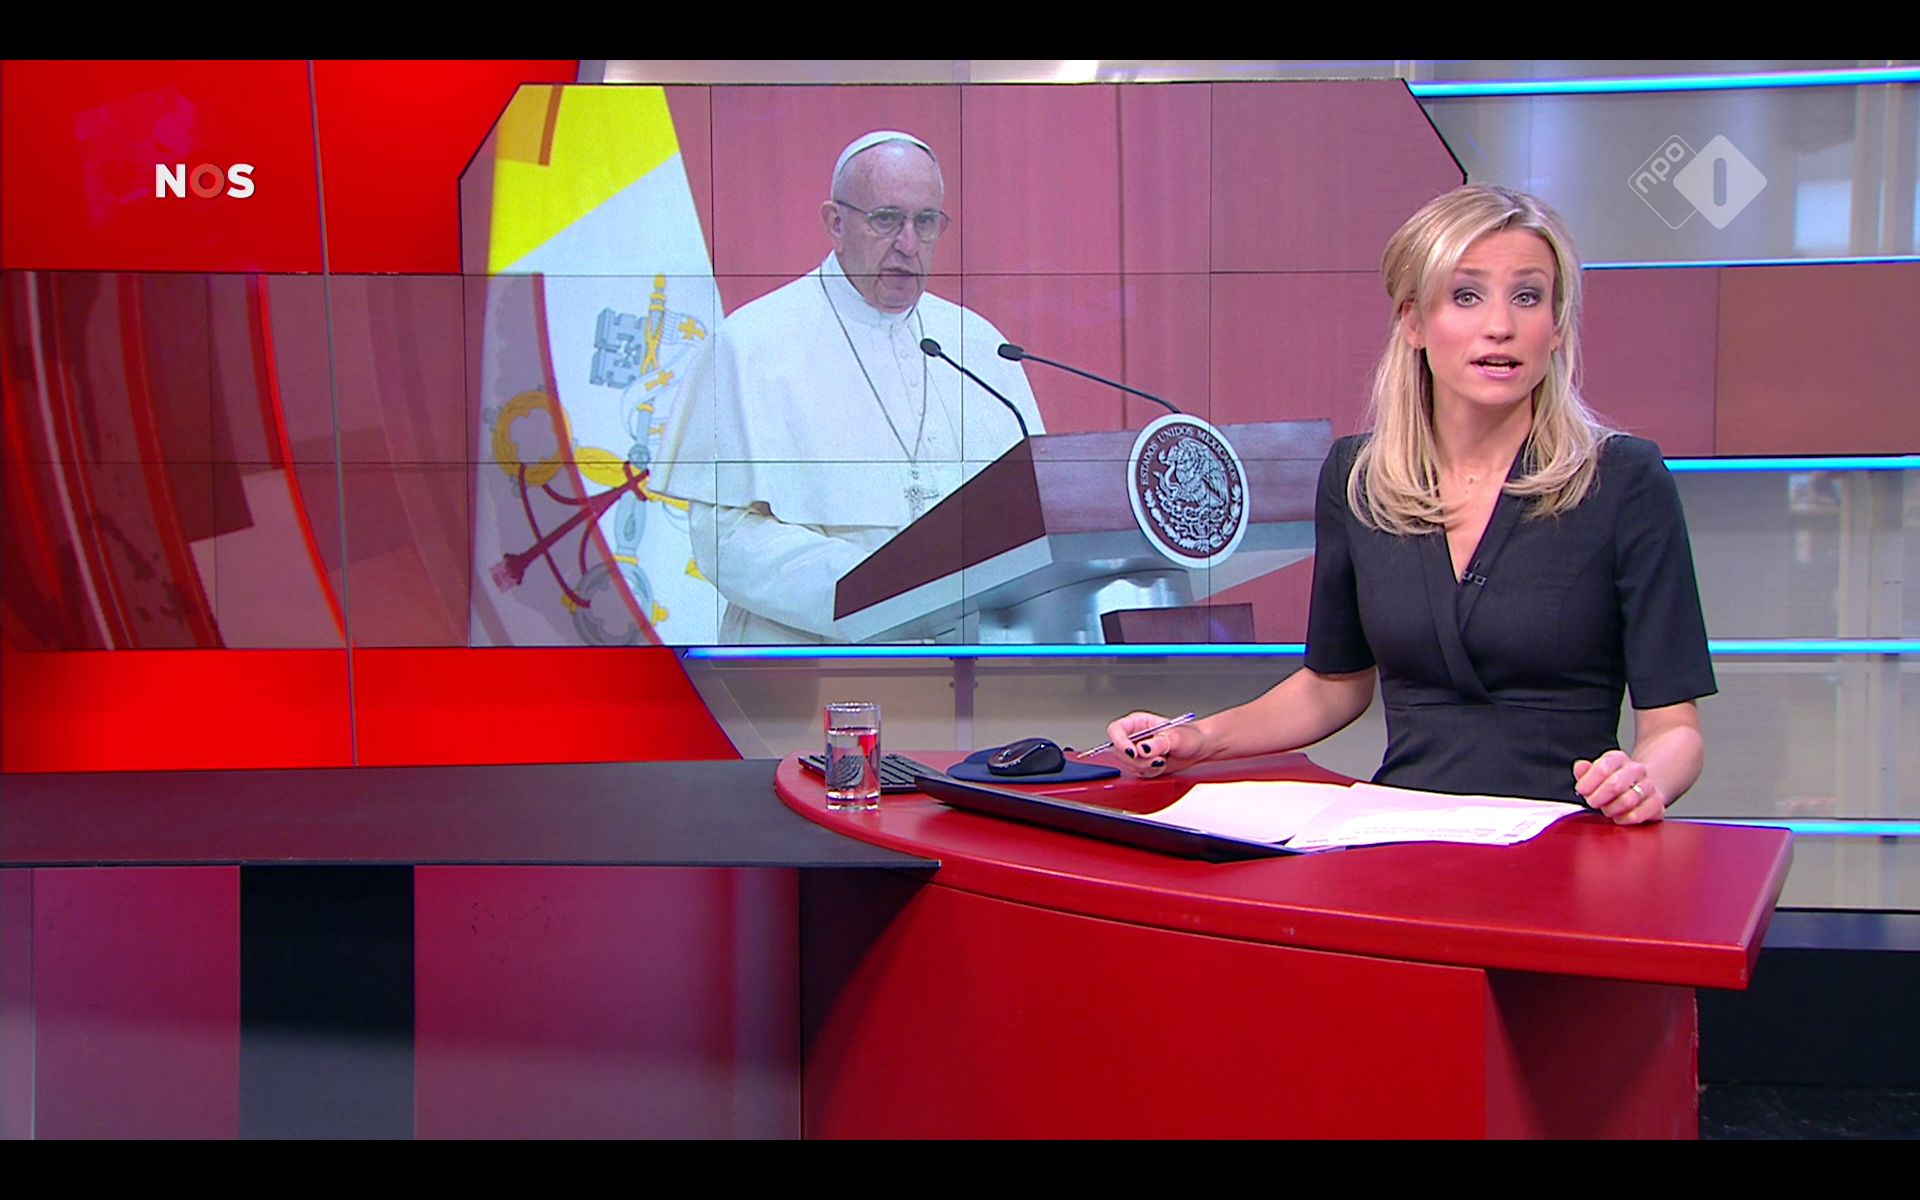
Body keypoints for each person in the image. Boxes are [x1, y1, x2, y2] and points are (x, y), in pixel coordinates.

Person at [1105, 185, 1713, 824]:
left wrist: (1643, 780)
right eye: (1467, 295)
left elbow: (1675, 729)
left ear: (1557, 327)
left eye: (1528, 297)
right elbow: (1332, 686)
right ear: (1414, 321)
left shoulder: (1623, 480)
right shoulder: (1358, 479)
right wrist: (1197, 738)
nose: (1500, 325)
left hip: (1565, 835)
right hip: (1399, 830)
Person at [653, 131, 1044, 643]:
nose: (908, 244)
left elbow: (1030, 517)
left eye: (926, 222)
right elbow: (724, 539)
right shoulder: (751, 344)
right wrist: (881, 591)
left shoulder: (978, 345)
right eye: (886, 219)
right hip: (806, 660)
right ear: (836, 223)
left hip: (962, 663)